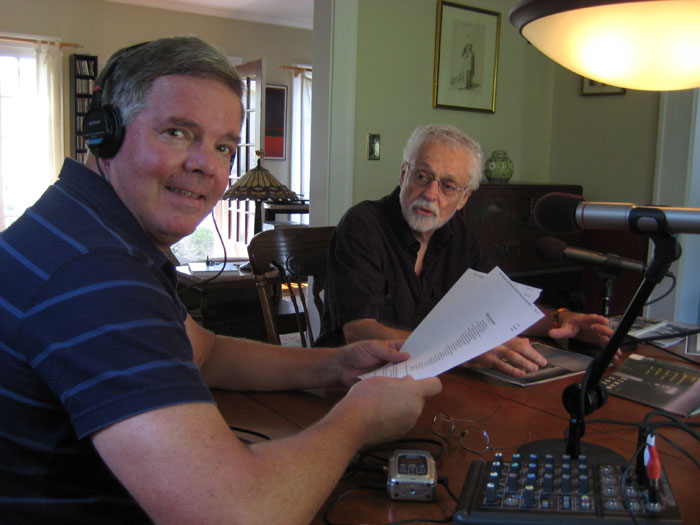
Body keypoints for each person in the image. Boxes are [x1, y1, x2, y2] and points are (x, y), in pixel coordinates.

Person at [0, 37, 441, 524]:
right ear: (105, 131)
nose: (206, 165)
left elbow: (203, 351)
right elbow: (238, 514)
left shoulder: (78, 227)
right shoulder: (93, 274)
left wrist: (333, 366)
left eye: (224, 146)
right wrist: (359, 418)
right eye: (176, 132)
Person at [317, 124, 613, 377]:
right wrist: (462, 352)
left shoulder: (458, 236)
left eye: (448, 185)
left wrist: (563, 320)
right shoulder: (363, 225)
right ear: (403, 174)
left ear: (464, 198)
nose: (430, 194)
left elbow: (499, 306)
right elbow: (358, 331)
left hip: (425, 378)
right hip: (349, 380)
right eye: (422, 176)